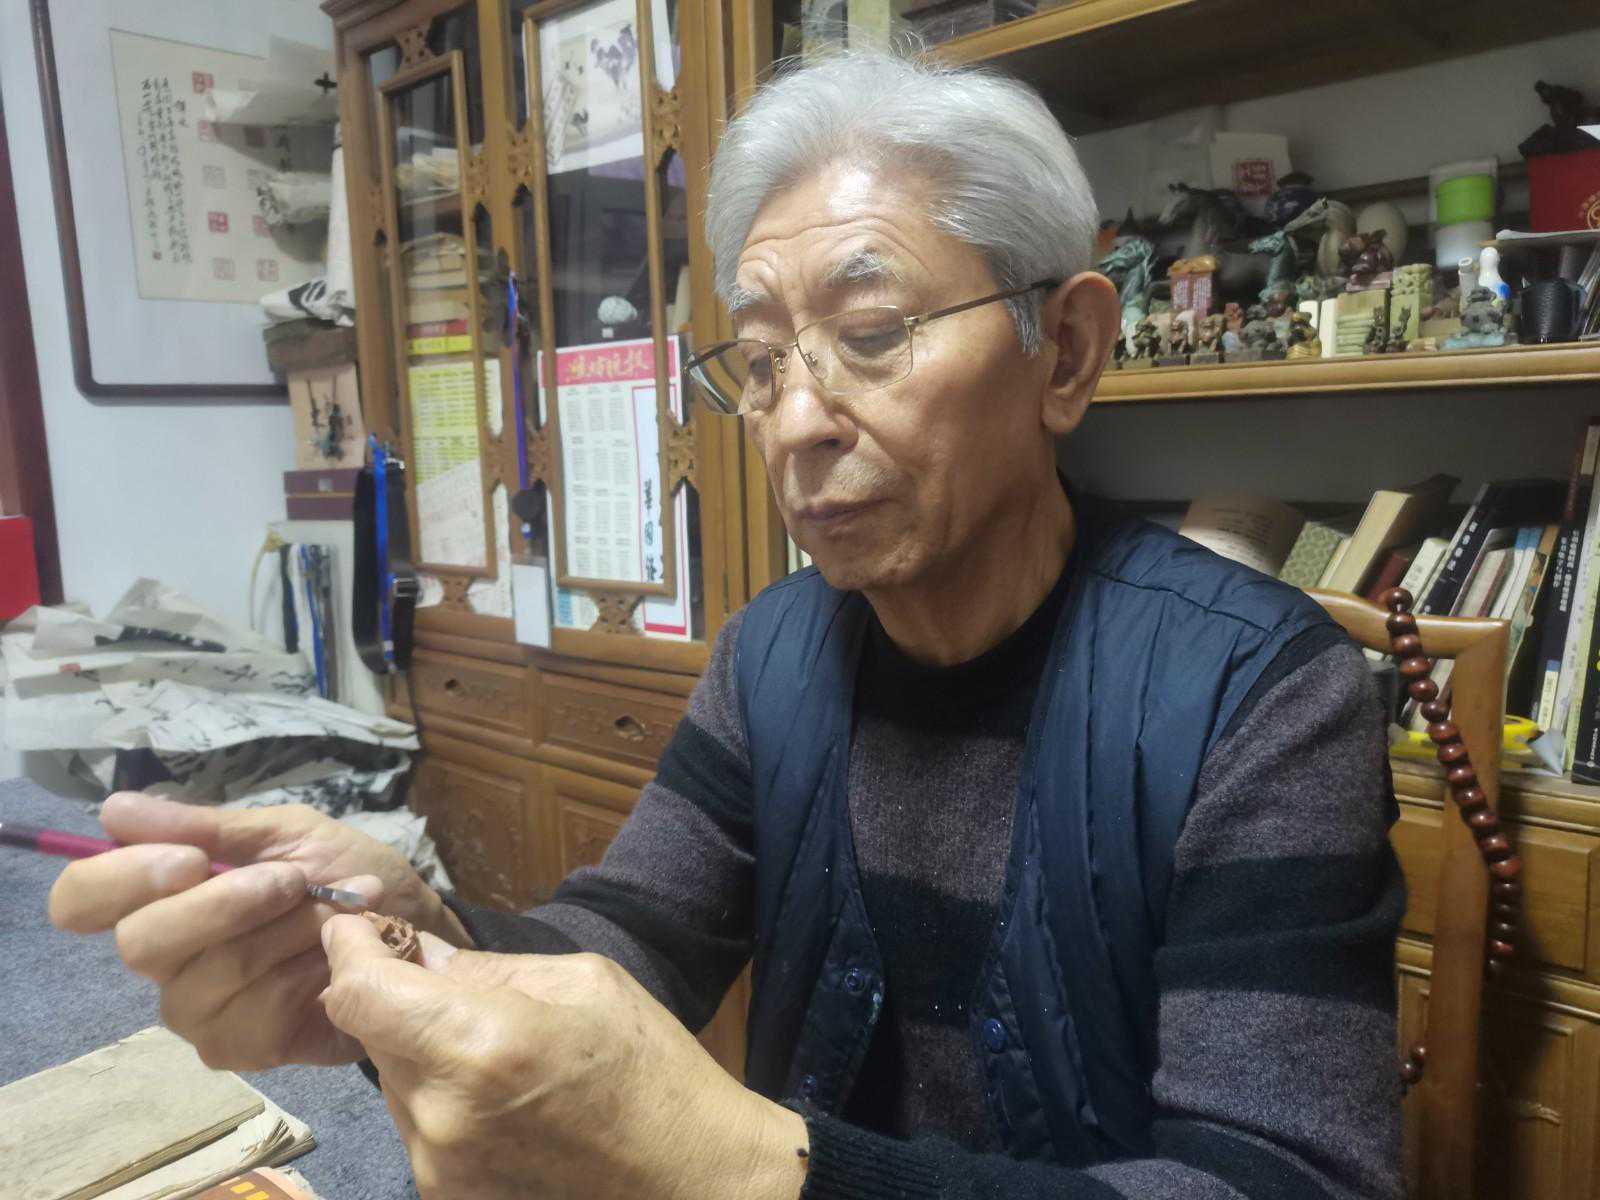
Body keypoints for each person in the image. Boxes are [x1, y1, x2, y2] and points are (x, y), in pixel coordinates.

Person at [48, 49, 1404, 1199]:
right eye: (758, 362)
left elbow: (1282, 1180)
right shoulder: (777, 655)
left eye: (872, 332)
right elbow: (631, 941)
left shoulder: (1258, 693)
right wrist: (412, 936)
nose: (796, 420)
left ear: (1067, 353)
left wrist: (742, 1164)